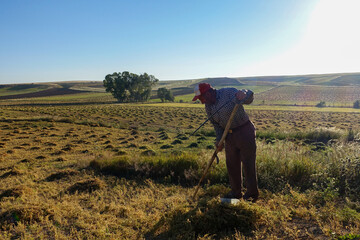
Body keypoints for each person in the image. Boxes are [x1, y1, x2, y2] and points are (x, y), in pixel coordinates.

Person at [192, 82, 259, 202]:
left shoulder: (227, 93)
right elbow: (217, 126)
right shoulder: (208, 106)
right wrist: (219, 141)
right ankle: (236, 193)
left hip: (244, 131)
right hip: (229, 136)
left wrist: (244, 94)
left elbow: (248, 98)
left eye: (201, 98)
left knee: (248, 164)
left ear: (208, 93)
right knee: (231, 165)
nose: (201, 101)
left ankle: (252, 195)